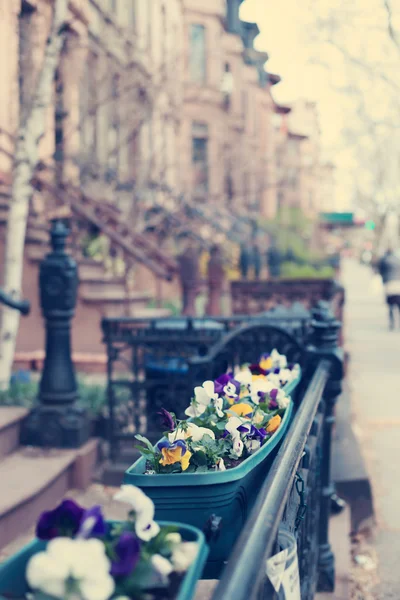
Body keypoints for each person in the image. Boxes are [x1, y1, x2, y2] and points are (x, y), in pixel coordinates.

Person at [378, 248, 400, 330]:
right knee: (399, 305)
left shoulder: (384, 260)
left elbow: (380, 271)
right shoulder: (398, 259)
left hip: (389, 284)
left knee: (390, 305)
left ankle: (392, 323)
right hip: (398, 284)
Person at [177, 241, 200, 316]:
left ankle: (188, 312)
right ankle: (188, 313)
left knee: (188, 302)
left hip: (188, 282)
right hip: (189, 282)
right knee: (188, 302)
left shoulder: (184, 257)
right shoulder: (192, 256)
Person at [206, 245, 225, 316]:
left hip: (213, 284)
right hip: (215, 284)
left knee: (214, 300)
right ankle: (214, 315)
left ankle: (214, 314)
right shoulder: (217, 261)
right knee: (215, 301)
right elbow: (221, 272)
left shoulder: (211, 261)